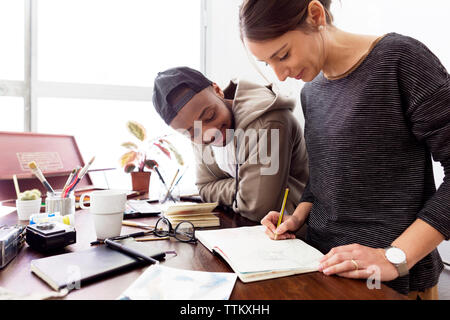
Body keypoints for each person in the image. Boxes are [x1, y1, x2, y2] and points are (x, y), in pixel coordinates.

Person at [239, 0, 449, 298]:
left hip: (388, 282)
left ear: (315, 15)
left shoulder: (399, 60)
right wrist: (297, 219)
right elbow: (322, 180)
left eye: (282, 55)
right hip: (318, 266)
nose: (280, 75)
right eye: (267, 64)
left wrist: (394, 257)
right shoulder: (312, 92)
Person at [152, 66, 309, 223]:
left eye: (210, 116)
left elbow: (257, 208)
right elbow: (205, 187)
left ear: (218, 90)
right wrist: (244, 188)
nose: (209, 133)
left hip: (294, 231)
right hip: (249, 228)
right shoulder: (199, 128)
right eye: (191, 133)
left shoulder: (267, 122)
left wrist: (241, 192)